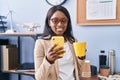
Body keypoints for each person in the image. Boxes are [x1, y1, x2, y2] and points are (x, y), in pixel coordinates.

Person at [34, 5, 86, 80]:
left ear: (68, 22)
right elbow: (39, 78)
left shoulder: (73, 41)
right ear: (49, 22)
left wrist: (81, 58)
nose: (60, 24)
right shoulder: (41, 43)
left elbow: (79, 72)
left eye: (63, 21)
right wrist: (48, 60)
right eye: (55, 21)